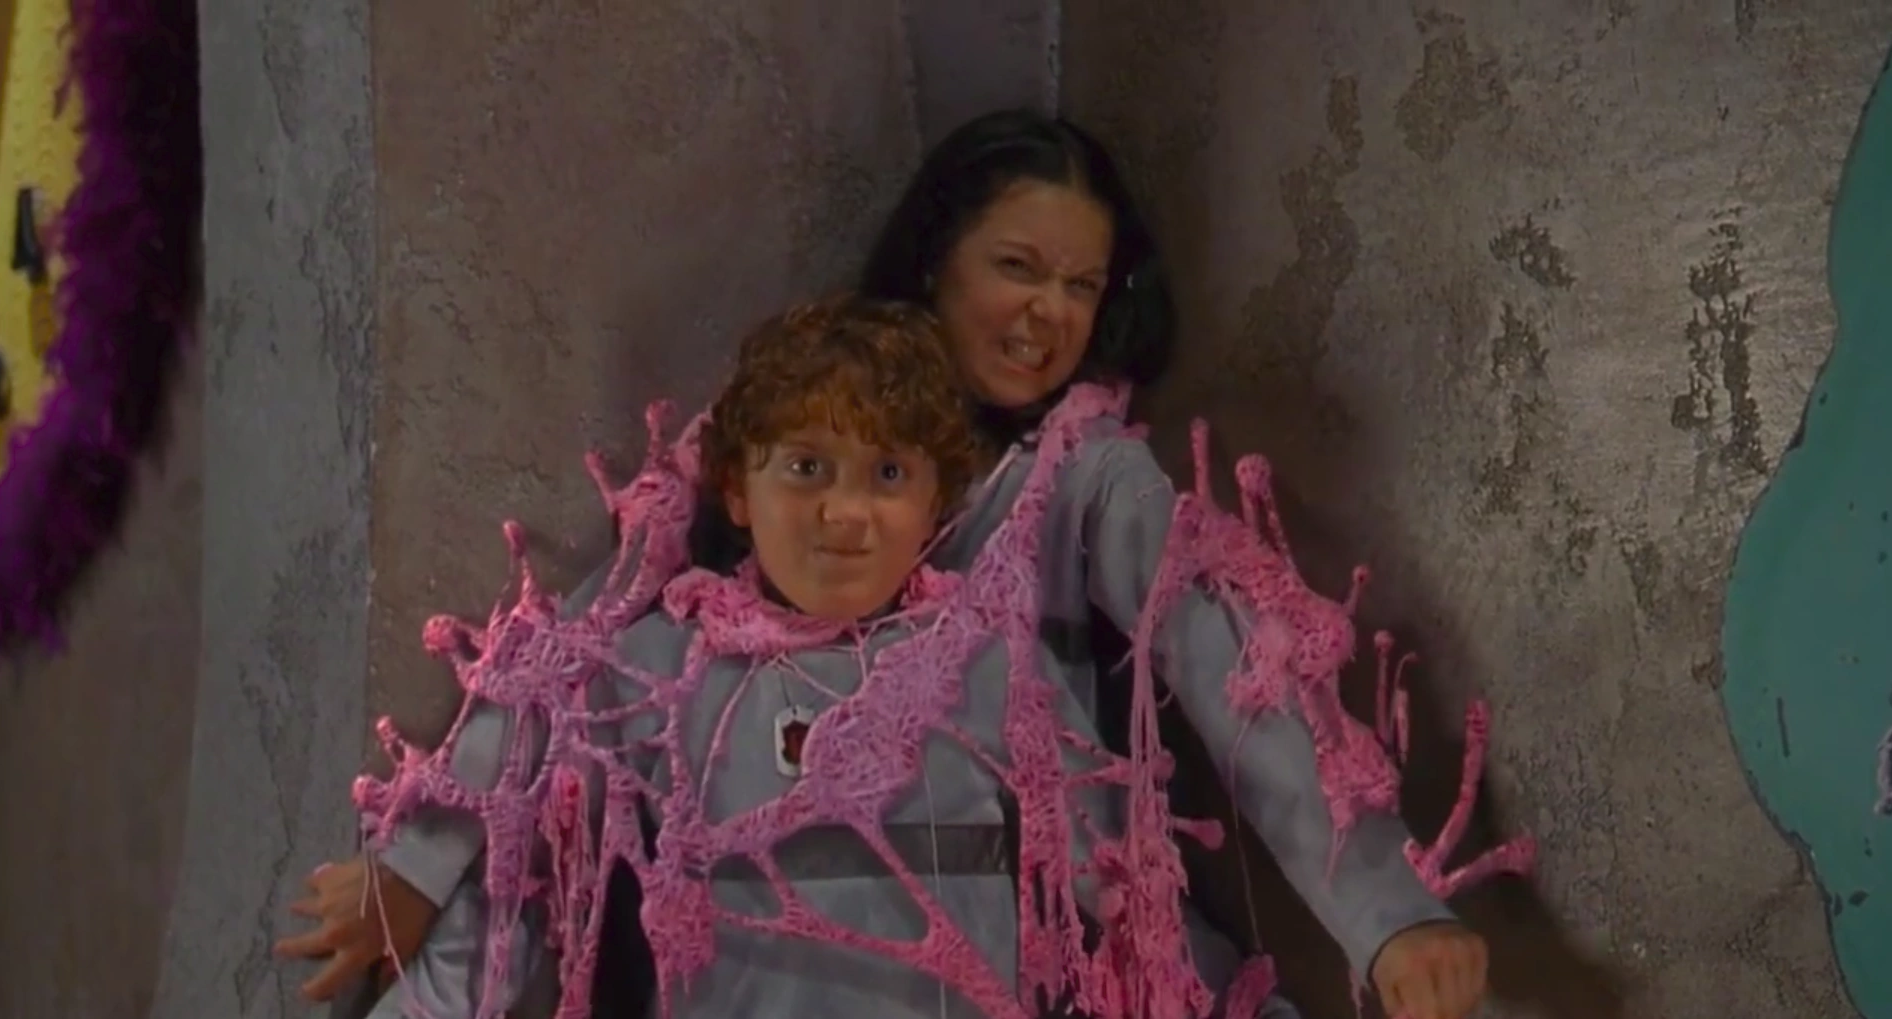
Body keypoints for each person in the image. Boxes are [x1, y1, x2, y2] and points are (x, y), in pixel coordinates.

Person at [283, 110, 1497, 1019]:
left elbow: (1226, 700)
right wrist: (421, 860)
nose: (1048, 312)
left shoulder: (1079, 486)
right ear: (933, 259)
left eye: (1081, 285)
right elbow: (574, 674)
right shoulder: (724, 549)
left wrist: (1385, 915)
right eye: (1016, 266)